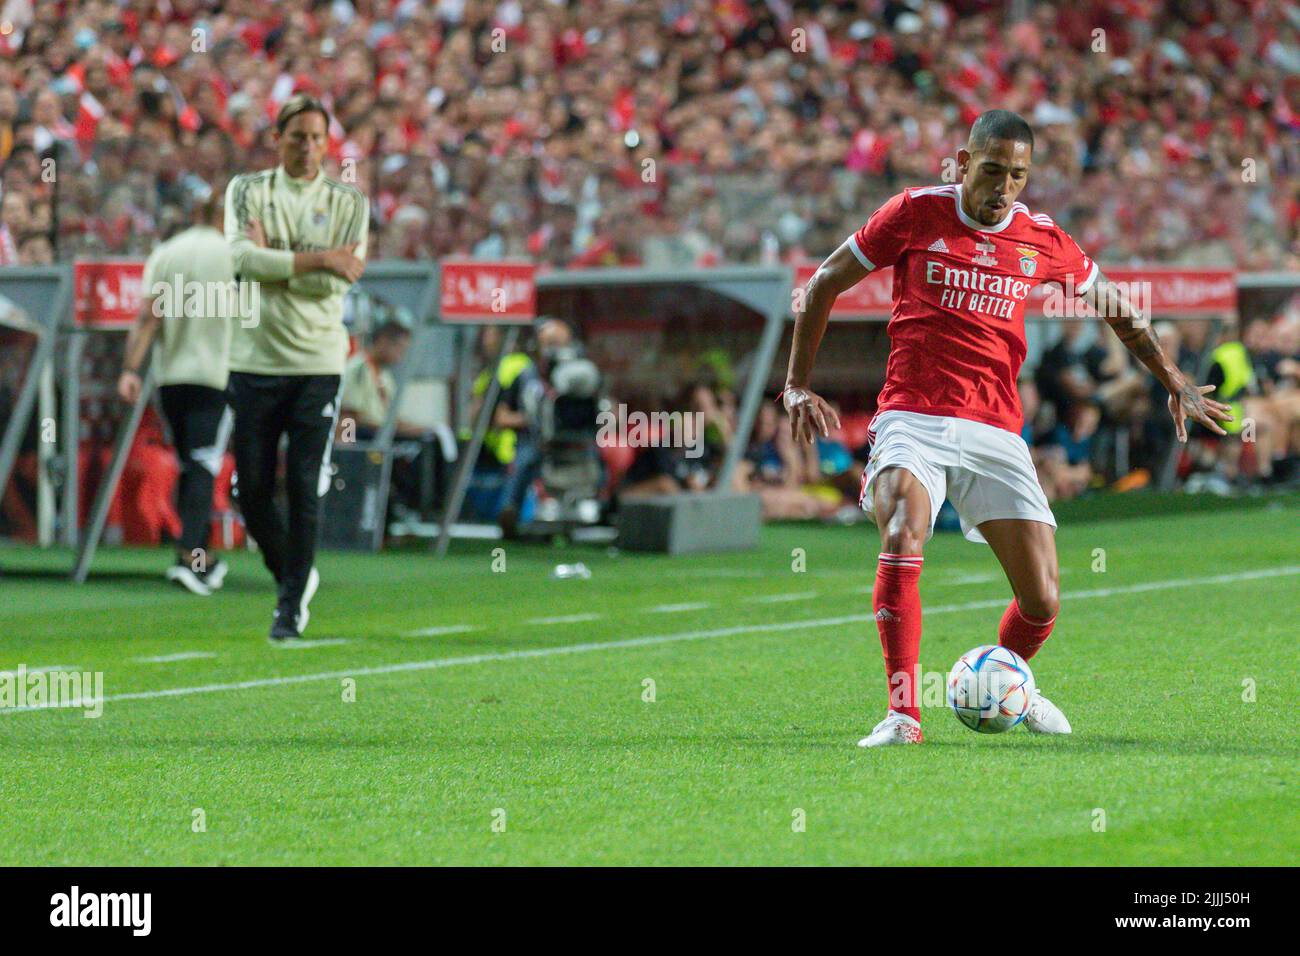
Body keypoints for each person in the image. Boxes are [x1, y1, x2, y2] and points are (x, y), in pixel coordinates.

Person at [783, 110, 1233, 748]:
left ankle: (1010, 680)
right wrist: (798, 383)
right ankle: (904, 715)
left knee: (1043, 600)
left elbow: (1121, 313)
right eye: (992, 170)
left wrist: (1173, 379)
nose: (1003, 187)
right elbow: (825, 281)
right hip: (913, 415)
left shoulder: (1042, 237)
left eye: (1017, 175)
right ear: (963, 164)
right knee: (904, 534)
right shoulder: (914, 212)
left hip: (995, 428)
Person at [223, 95, 368, 641]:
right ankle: (293, 574)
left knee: (305, 483)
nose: (307, 146)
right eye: (297, 136)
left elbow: (339, 280)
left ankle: (288, 609)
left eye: (315, 137)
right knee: (251, 490)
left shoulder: (349, 202)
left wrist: (277, 265)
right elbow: (240, 261)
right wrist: (319, 258)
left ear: (327, 144)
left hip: (318, 361)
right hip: (254, 358)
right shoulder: (247, 191)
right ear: (276, 139)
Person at [116, 188, 233, 596]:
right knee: (204, 464)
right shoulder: (237, 254)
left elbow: (149, 315)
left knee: (189, 463)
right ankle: (189, 558)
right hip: (217, 375)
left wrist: (131, 368)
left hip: (170, 378)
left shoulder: (167, 252)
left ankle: (202, 556)